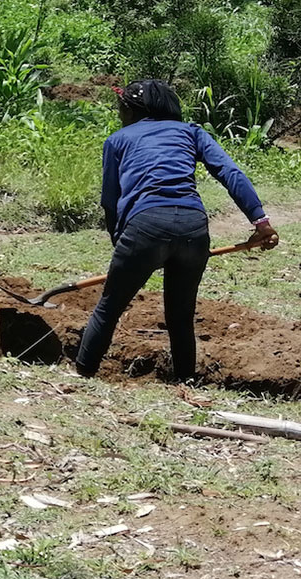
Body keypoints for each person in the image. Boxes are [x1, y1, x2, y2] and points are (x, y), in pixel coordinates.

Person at [73, 78, 278, 382]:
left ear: (131, 110)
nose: (119, 111)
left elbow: (110, 202)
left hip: (145, 226)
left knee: (109, 307)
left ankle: (83, 373)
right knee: (181, 317)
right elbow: (229, 172)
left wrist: (124, 246)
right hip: (193, 229)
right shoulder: (190, 132)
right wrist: (260, 223)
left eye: (121, 106)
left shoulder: (117, 141)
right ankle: (185, 382)